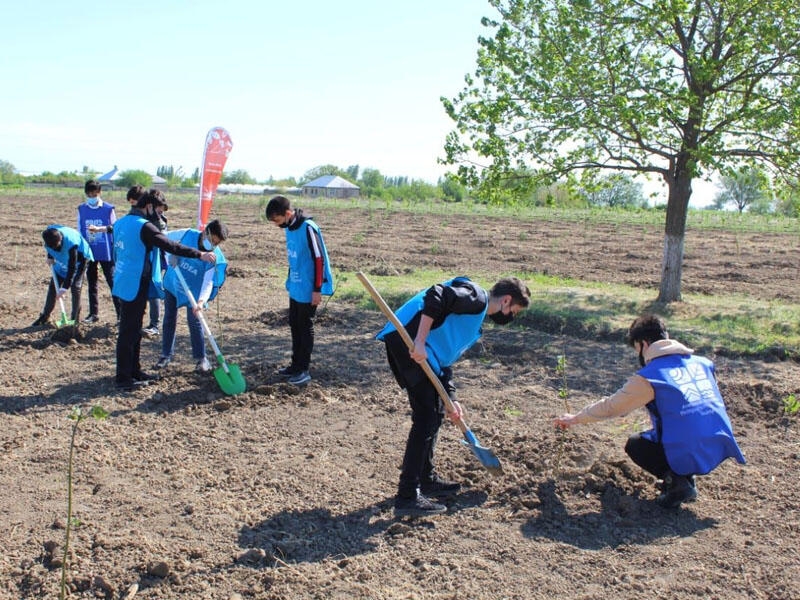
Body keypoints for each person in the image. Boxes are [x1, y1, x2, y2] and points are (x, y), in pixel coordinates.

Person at [375, 276, 531, 517]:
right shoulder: (476, 299)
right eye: (514, 312)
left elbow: (444, 358)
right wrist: (420, 339)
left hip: (420, 352)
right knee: (426, 418)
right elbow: (436, 294)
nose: (511, 317)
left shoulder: (474, 318)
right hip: (408, 343)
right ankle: (407, 495)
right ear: (506, 300)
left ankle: (425, 480)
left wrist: (452, 397)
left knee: (434, 414)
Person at [554, 314, 746, 508]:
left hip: (690, 446)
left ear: (644, 344)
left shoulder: (651, 376)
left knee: (637, 444)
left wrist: (576, 418)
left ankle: (678, 483)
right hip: (719, 442)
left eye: (637, 349)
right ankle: (685, 475)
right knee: (674, 426)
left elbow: (613, 406)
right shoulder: (702, 363)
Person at [112, 188, 216, 392]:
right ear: (148, 206)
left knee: (133, 329)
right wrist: (199, 254)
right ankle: (123, 377)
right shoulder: (144, 227)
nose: (160, 216)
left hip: (124, 279)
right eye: (159, 212)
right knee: (128, 331)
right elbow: (171, 246)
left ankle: (134, 370)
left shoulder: (121, 222)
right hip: (136, 281)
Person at [265, 195, 334, 386]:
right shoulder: (289, 228)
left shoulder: (308, 227)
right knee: (294, 323)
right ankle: (295, 366)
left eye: (277, 220)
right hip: (296, 285)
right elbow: (294, 257)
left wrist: (317, 289)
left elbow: (319, 259)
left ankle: (304, 370)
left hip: (309, 287)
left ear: (287, 213)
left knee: (305, 326)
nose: (276, 225)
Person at [155, 219, 229, 373]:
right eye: (211, 240)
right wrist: (170, 255)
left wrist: (201, 302)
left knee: (195, 322)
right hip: (173, 283)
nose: (212, 245)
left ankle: (201, 359)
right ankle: (165, 355)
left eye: (216, 243)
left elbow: (209, 282)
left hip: (195, 291)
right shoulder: (186, 235)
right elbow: (163, 239)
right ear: (205, 232)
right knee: (169, 318)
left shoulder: (214, 257)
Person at [32, 225, 94, 327]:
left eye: (56, 246)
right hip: (62, 261)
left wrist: (65, 288)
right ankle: (45, 316)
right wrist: (50, 256)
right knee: (53, 286)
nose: (54, 248)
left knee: (75, 287)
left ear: (60, 240)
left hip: (79, 261)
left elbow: (72, 267)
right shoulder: (48, 235)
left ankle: (75, 320)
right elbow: (50, 248)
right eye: (51, 247)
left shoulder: (71, 243)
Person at [78, 179, 119, 323]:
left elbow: (115, 228)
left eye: (94, 193)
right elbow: (80, 229)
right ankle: (93, 313)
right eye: (89, 193)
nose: (91, 196)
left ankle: (120, 314)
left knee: (113, 281)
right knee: (92, 282)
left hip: (107, 251)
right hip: (90, 251)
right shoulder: (82, 209)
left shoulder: (108, 209)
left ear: (99, 193)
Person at [142, 201, 168, 338]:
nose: (161, 213)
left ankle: (154, 325)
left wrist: (156, 217)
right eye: (159, 210)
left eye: (162, 211)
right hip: (142, 258)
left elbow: (162, 236)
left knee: (154, 291)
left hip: (156, 259)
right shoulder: (142, 219)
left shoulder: (160, 221)